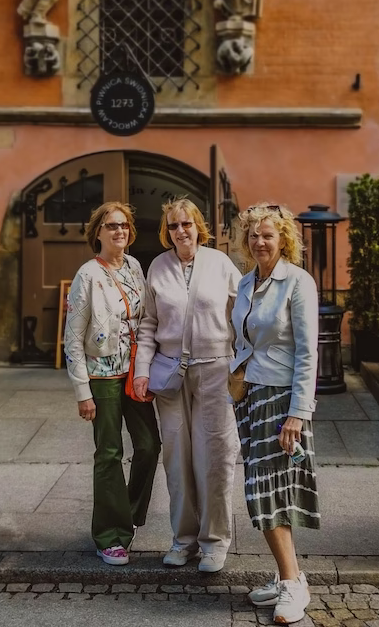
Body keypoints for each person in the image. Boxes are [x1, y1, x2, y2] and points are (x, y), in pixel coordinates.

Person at [133, 197, 241, 573]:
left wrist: (243, 367)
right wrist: (141, 370)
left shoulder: (221, 264)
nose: (181, 231)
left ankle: (214, 542)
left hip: (214, 371)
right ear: (167, 231)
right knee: (176, 459)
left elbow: (243, 318)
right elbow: (148, 323)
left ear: (199, 226)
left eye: (187, 224)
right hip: (169, 374)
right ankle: (183, 540)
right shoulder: (158, 267)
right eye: (174, 226)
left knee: (214, 457)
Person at [230, 202, 320, 623]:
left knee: (266, 492)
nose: (259, 241)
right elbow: (244, 340)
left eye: (267, 234)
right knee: (261, 490)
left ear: (283, 239)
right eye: (253, 235)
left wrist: (298, 415)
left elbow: (308, 353)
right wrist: (237, 375)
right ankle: (289, 578)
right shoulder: (248, 282)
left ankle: (293, 583)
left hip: (282, 399)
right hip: (251, 396)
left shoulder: (297, 282)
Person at [64, 202, 161, 566]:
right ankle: (109, 535)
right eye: (111, 225)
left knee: (149, 446)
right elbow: (72, 338)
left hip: (135, 372)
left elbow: (148, 317)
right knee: (108, 454)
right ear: (98, 233)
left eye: (124, 225)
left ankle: (129, 517)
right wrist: (81, 392)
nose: (119, 231)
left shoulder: (136, 267)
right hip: (102, 376)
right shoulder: (86, 275)